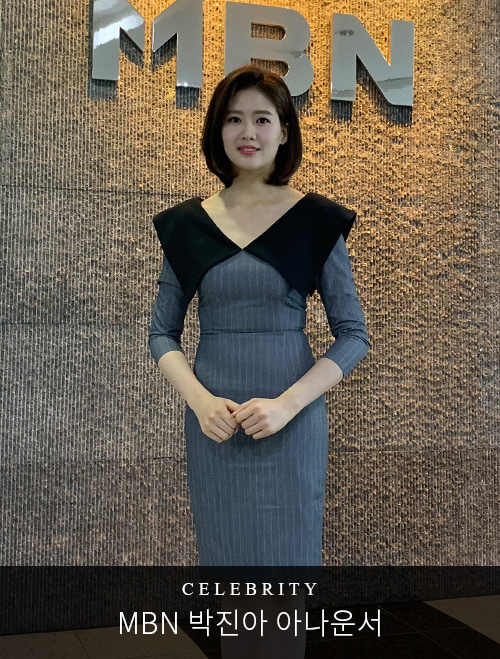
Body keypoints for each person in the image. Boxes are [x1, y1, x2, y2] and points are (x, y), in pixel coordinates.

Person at [148, 64, 370, 658]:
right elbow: (162, 334)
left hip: (290, 427)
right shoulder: (188, 225)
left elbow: (353, 335)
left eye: (262, 119)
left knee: (283, 589)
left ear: (284, 131)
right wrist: (200, 403)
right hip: (214, 428)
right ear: (217, 130)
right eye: (234, 119)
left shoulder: (316, 220)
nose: (248, 132)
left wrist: (287, 405)